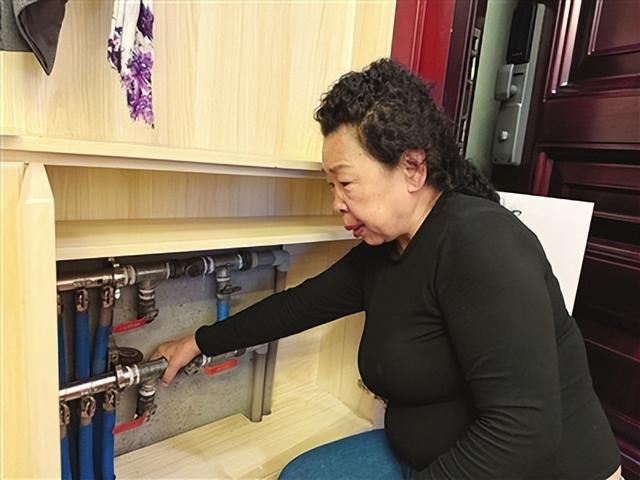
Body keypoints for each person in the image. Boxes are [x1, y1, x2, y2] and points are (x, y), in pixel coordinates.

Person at [151, 59, 621, 480]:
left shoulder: (482, 244)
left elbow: (523, 431)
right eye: (331, 186)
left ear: (413, 168)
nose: (337, 203)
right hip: (423, 456)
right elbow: (299, 306)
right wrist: (199, 342)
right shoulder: (389, 246)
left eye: (346, 183)